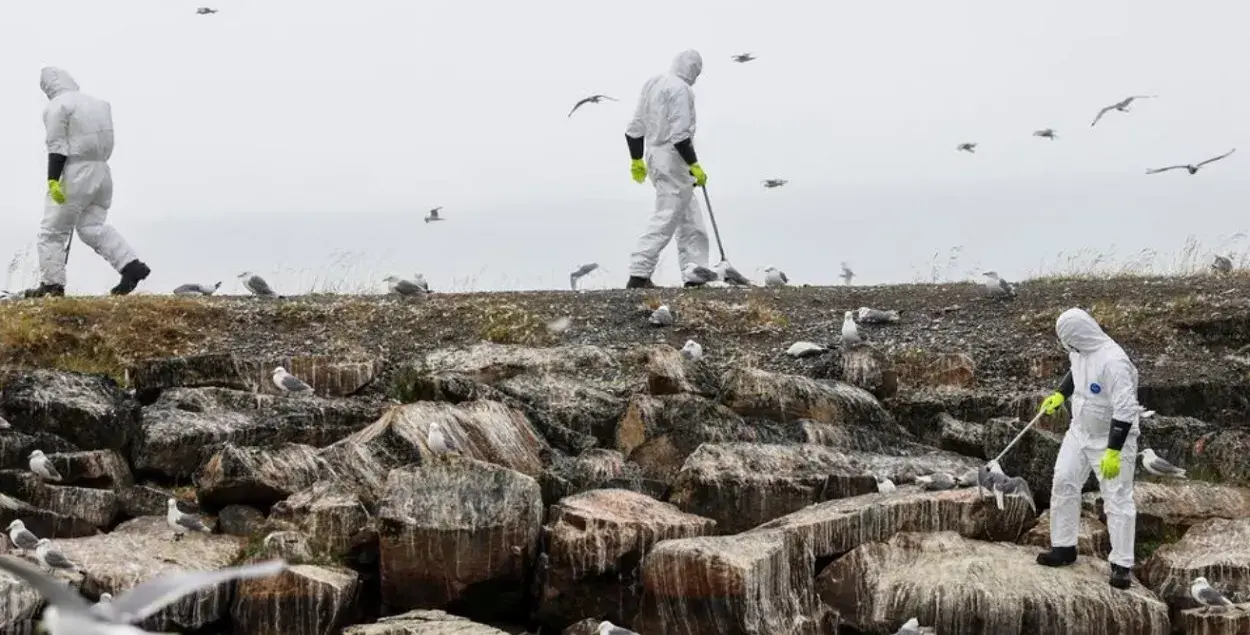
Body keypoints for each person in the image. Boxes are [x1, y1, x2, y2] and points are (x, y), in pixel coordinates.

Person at [1035, 307, 1141, 590]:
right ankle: (1064, 547)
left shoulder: (1114, 362)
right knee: (1064, 481)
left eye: (1066, 338)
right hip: (1079, 431)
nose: (1065, 344)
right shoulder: (1079, 349)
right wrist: (1060, 394)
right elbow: (1074, 372)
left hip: (1111, 439)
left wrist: (1114, 450)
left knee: (1117, 498)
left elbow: (1126, 408)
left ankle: (1122, 565)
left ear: (1078, 333)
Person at [26, 67, 150, 298]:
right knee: (92, 227)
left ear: (48, 87)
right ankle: (132, 266)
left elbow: (57, 145)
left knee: (52, 231)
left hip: (75, 172)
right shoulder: (99, 104)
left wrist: (53, 179)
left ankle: (52, 286)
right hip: (102, 172)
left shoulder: (58, 106)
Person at [622, 49, 710, 289]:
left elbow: (634, 128)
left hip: (654, 155)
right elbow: (680, 136)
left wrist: (636, 159)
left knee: (690, 217)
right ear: (692, 69)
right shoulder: (682, 90)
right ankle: (638, 273)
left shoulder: (653, 83)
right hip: (673, 158)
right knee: (667, 215)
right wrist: (693, 164)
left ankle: (695, 272)